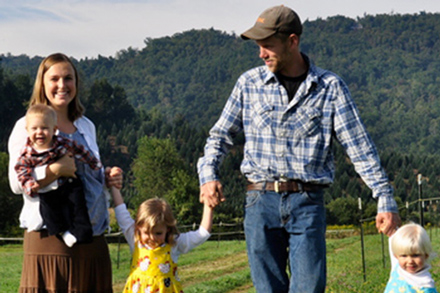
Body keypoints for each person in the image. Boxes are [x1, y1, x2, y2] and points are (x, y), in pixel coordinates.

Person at [197, 5, 401, 292]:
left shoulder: (330, 87)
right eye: (258, 46)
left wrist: (384, 198)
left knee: (308, 287)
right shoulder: (248, 84)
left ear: (292, 41)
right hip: (259, 202)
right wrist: (208, 175)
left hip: (307, 203)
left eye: (267, 46)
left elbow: (360, 148)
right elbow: (219, 137)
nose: (261, 53)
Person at [8, 53, 123, 292]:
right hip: (50, 239)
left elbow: (91, 172)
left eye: (68, 78)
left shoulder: (86, 125)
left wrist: (107, 176)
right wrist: (55, 170)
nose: (62, 85)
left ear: (76, 84)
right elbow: (17, 184)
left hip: (92, 237)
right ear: (43, 84)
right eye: (55, 79)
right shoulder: (27, 125)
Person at [15, 104, 103, 247]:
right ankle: (61, 232)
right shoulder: (27, 153)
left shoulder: (61, 142)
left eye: (44, 128)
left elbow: (80, 150)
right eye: (34, 128)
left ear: (54, 130)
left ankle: (82, 233)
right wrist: (31, 184)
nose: (39, 133)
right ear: (27, 130)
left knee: (78, 206)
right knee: (50, 212)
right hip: (48, 190)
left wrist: (94, 163)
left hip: (70, 183)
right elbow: (21, 171)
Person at [110, 185, 213, 293]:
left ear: (168, 229)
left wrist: (209, 205)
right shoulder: (135, 239)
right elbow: (121, 213)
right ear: (138, 227)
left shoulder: (174, 243)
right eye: (146, 232)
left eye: (158, 233)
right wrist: (114, 187)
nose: (152, 238)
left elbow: (202, 234)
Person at [384, 223, 438, 293]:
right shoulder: (397, 267)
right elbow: (391, 231)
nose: (410, 261)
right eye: (404, 256)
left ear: (426, 255)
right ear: (396, 256)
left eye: (415, 255)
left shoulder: (426, 285)